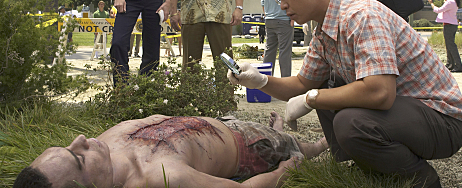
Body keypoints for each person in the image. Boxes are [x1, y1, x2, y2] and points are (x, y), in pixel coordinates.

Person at [228, 0, 462, 188]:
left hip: (442, 118)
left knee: (349, 121)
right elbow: (302, 83)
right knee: (324, 86)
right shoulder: (323, 31)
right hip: (406, 113)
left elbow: (380, 93)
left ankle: (421, 180)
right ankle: (370, 165)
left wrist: (312, 99)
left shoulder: (361, 16)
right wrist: (259, 81)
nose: (281, 5)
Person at [13, 112, 328, 188]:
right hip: (247, 145)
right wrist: (285, 170)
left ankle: (278, 131)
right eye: (76, 156)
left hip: (216, 122)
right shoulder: (164, 178)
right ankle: (319, 144)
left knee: (271, 132)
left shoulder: (101, 151)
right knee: (298, 148)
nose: (81, 138)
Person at [261, 0, 294, 77]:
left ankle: (265, 80)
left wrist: (268, 17)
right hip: (283, 20)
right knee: (284, 53)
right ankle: (286, 82)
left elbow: (263, 3)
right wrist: (292, 18)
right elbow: (290, 1)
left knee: (269, 51)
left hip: (269, 20)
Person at [428, 0, 462, 72]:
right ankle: (450, 64)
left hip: (449, 26)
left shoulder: (450, 2)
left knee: (451, 46)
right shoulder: (452, 2)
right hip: (451, 25)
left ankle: (458, 66)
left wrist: (431, 3)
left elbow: (438, 10)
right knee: (449, 45)